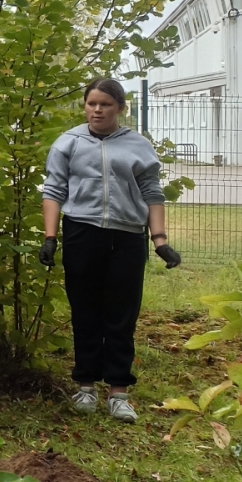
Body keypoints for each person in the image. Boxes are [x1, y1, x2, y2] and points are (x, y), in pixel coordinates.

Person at [40, 78, 180, 424]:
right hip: (81, 233)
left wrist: (159, 240)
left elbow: (152, 191)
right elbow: (54, 189)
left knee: (121, 315)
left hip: (127, 237)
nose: (97, 110)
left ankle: (119, 392)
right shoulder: (68, 143)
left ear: (120, 108)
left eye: (105, 104)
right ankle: (85, 387)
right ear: (85, 106)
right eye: (91, 104)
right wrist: (50, 237)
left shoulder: (138, 145)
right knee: (85, 311)